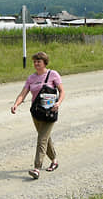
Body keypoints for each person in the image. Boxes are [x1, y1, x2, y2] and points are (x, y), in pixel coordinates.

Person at [11, 51, 65, 180]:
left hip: (50, 112)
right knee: (45, 138)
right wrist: (16, 104)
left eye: (38, 62)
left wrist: (58, 103)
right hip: (36, 113)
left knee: (41, 139)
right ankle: (54, 160)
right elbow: (23, 93)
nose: (36, 64)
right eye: (34, 62)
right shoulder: (31, 78)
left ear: (44, 62)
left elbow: (62, 91)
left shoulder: (53, 74)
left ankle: (36, 168)